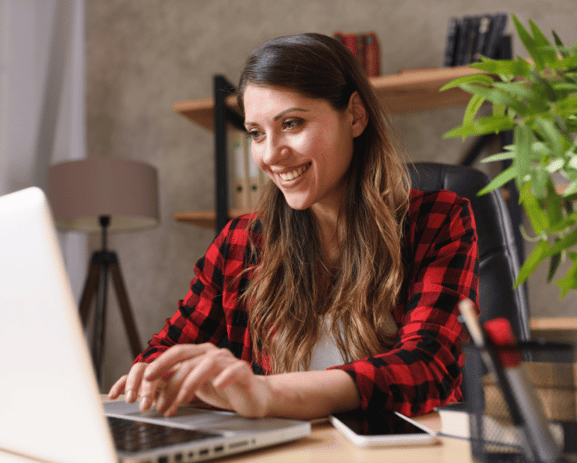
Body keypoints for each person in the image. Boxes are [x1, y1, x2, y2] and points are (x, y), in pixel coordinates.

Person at [108, 33, 479, 421]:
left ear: (355, 115)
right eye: (256, 133)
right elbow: (162, 357)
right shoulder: (241, 242)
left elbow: (427, 368)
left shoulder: (439, 220)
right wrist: (163, 376)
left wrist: (264, 393)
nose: (270, 155)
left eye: (292, 123)